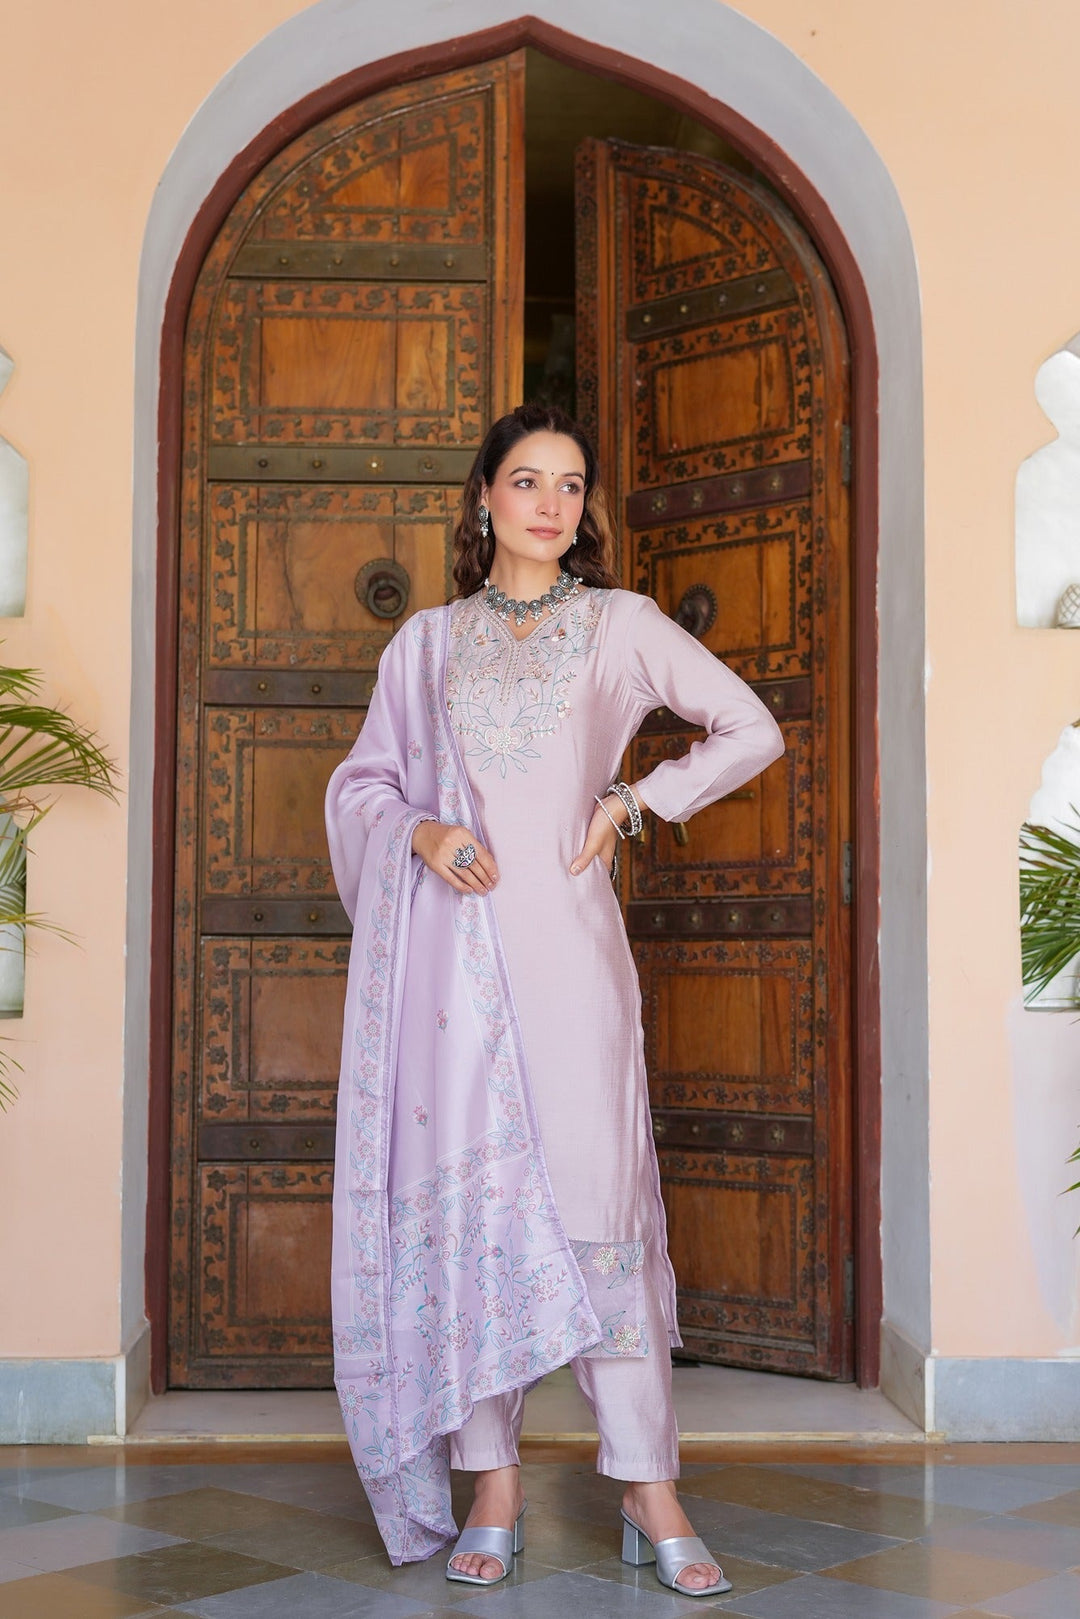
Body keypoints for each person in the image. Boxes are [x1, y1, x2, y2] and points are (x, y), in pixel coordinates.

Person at [325, 402, 785, 1597]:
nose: (549, 502)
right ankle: (494, 1483)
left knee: (598, 1210)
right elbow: (363, 783)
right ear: (484, 497)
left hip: (573, 970)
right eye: (526, 479)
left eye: (570, 484)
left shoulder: (619, 626)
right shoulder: (425, 645)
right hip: (453, 981)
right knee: (475, 1225)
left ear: (586, 507)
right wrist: (420, 831)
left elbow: (750, 727)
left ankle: (647, 1480)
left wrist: (635, 801)